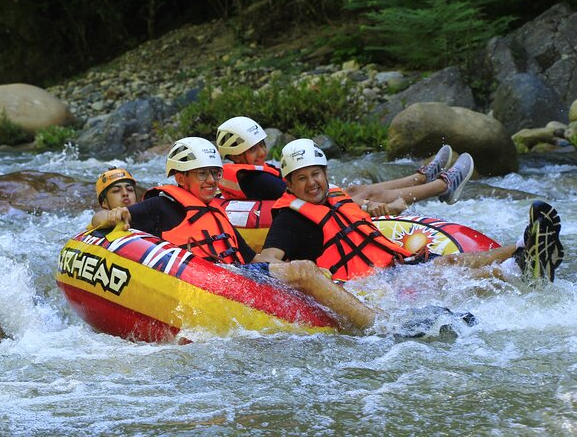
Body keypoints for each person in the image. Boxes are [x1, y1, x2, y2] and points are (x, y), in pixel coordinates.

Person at [90, 137, 380, 334]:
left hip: (236, 276)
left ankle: (351, 316)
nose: (210, 181)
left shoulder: (215, 210)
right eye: (201, 174)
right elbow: (100, 221)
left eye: (214, 174)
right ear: (180, 178)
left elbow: (251, 258)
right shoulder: (160, 206)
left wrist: (287, 263)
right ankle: (378, 326)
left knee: (309, 269)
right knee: (304, 271)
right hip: (205, 281)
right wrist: (111, 215)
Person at [259, 138, 565, 286]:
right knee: (445, 275)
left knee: (451, 261)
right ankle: (516, 272)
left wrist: (382, 209)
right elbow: (267, 257)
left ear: (326, 173)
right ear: (289, 184)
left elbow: (352, 224)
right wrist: (298, 273)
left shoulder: (334, 197)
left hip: (392, 263)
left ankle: (523, 249)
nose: (312, 183)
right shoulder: (291, 219)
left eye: (316, 174)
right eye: (302, 178)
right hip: (370, 284)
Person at [215, 116, 474, 216]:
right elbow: (292, 193)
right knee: (363, 194)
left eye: (261, 145)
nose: (262, 152)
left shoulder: (244, 172)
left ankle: (419, 179)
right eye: (252, 149)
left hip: (300, 204)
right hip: (301, 210)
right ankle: (442, 186)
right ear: (234, 153)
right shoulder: (252, 179)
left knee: (358, 188)